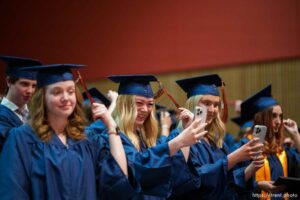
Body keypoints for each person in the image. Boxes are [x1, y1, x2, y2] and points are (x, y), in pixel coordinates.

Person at [0, 64, 133, 199]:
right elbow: (13, 192)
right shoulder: (22, 139)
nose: (66, 98)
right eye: (57, 92)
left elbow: (117, 180)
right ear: (42, 98)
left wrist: (111, 127)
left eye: (70, 91)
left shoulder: (87, 139)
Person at [108, 74, 208, 199]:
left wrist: (184, 130)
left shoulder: (143, 139)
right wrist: (178, 141)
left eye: (150, 104)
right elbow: (137, 171)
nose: (145, 109)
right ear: (124, 104)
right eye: (139, 103)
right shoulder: (113, 138)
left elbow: (171, 174)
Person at [167, 74, 264, 199]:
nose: (212, 110)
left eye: (216, 104)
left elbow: (227, 181)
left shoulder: (216, 141)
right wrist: (233, 158)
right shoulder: (179, 138)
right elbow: (191, 181)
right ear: (193, 104)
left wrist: (252, 168)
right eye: (206, 103)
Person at [238, 84, 300, 199]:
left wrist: (296, 135)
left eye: (280, 116)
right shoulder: (245, 147)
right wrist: (258, 185)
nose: (278, 121)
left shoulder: (282, 149)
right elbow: (234, 181)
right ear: (261, 118)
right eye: (273, 116)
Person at [0, 56, 41, 152]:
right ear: (9, 81)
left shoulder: (33, 114)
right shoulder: (2, 115)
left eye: (34, 85)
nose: (30, 91)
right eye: (24, 84)